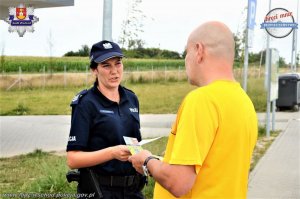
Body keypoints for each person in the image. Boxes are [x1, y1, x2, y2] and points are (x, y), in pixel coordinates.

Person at [128, 21, 258, 198]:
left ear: (199, 51)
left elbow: (178, 182)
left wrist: (146, 160)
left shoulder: (202, 100)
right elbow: (214, 167)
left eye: (186, 52)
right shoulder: (244, 101)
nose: (185, 60)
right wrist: (163, 163)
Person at [66, 40, 145, 199]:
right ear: (94, 70)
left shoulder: (131, 98)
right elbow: (73, 159)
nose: (114, 71)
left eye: (118, 63)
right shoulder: (86, 104)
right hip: (100, 191)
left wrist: (145, 160)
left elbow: (133, 141)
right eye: (106, 66)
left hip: (133, 191)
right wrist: (112, 153)